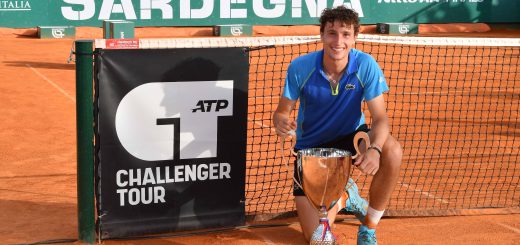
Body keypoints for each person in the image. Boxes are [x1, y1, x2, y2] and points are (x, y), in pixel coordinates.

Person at [272, 6, 402, 245]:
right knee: (317, 240)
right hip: (312, 151)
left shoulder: (365, 65)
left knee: (391, 150)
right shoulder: (300, 68)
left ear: (355, 37)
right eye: (332, 33)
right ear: (322, 35)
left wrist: (375, 150)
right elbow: (282, 111)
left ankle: (369, 228)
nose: (338, 41)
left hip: (352, 138)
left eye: (345, 34)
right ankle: (345, 196)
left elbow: (381, 119)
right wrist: (280, 120)